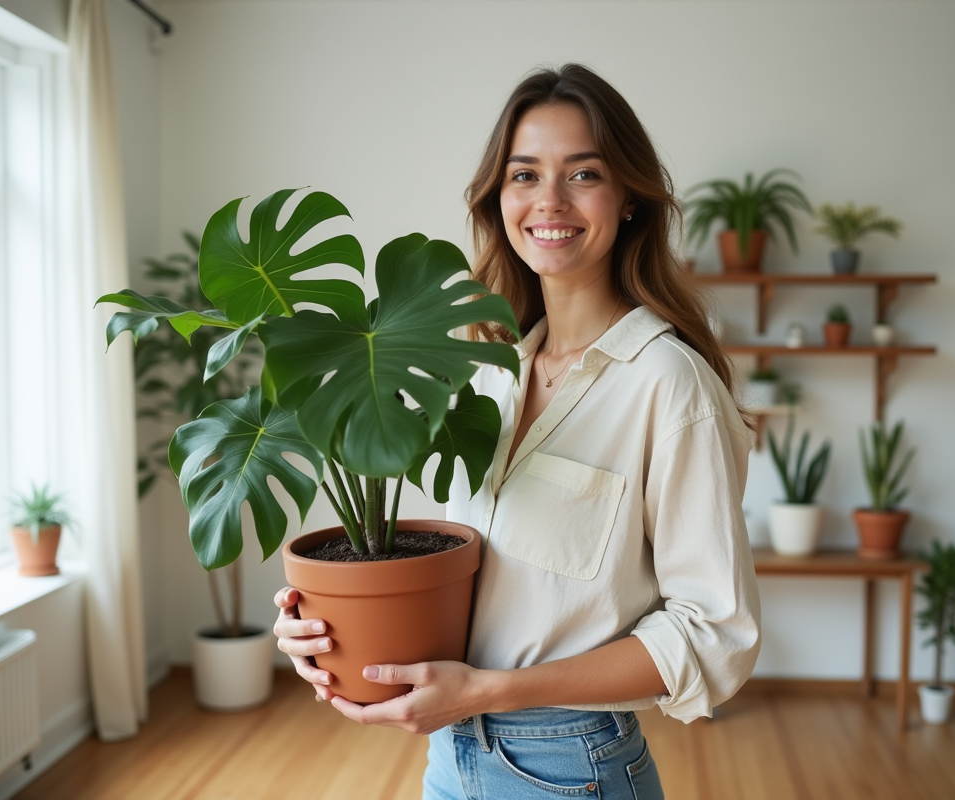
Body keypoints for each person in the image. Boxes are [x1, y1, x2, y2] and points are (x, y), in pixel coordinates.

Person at [273, 63, 761, 799]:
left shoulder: (669, 384)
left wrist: (489, 692)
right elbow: (454, 574)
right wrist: (331, 625)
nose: (550, 201)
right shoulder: (484, 374)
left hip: (573, 768)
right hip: (449, 757)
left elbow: (712, 633)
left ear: (628, 198)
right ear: (497, 198)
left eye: (584, 173)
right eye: (524, 175)